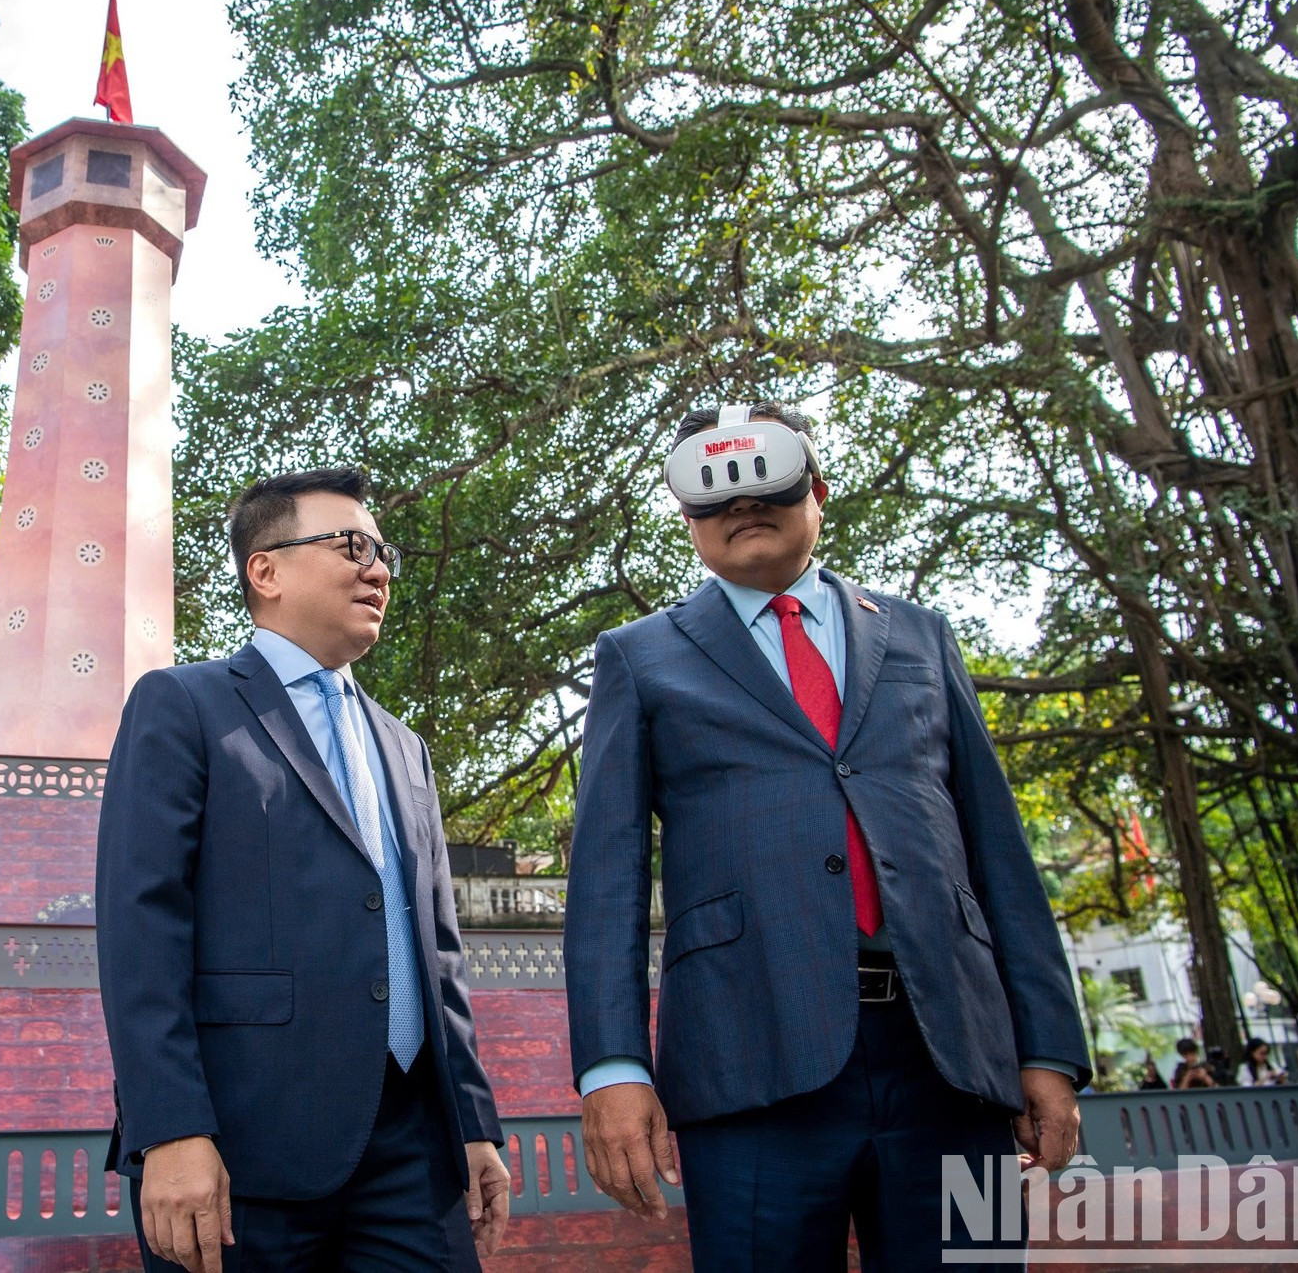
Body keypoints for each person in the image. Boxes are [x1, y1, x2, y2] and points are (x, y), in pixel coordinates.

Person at [563, 401, 1091, 1271]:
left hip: (950, 1056)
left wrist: (1045, 1047)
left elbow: (997, 850)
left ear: (817, 488)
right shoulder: (639, 656)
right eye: (711, 498)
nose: (741, 508)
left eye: (767, 483)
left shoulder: (922, 635)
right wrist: (613, 1066)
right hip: (750, 1061)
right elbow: (608, 880)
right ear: (687, 517)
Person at [96, 468, 509, 1273]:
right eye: (351, 545)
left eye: (383, 550)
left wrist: (474, 1121)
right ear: (267, 570)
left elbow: (439, 954)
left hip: (412, 1155)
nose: (377, 568)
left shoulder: (404, 746)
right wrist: (172, 1129)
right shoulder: (184, 706)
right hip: (242, 1151)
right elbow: (140, 929)